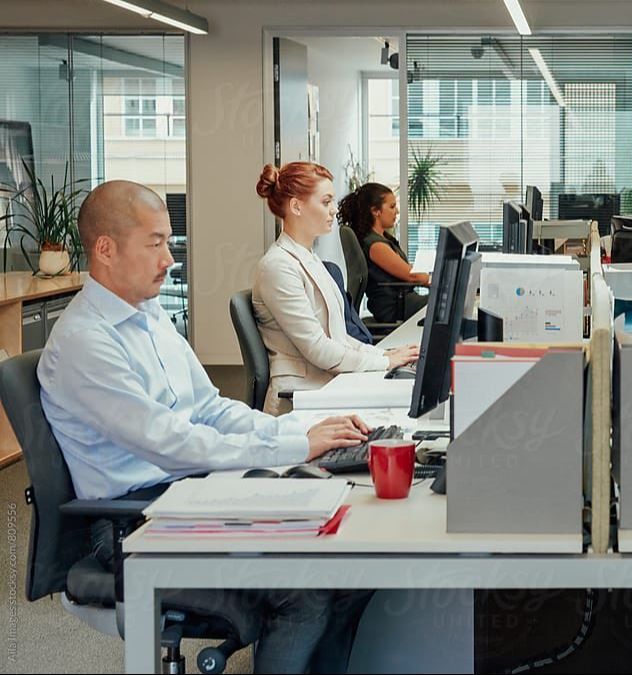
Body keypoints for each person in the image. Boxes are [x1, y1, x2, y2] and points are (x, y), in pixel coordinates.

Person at [38, 180, 375, 673]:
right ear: (105, 250)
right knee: (304, 587)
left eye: (169, 243)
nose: (170, 259)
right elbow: (172, 443)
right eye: (155, 244)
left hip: (189, 493)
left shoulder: (149, 316)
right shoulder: (86, 342)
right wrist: (291, 448)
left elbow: (212, 409)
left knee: (346, 552)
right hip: (134, 525)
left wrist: (294, 436)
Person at [253, 163, 419, 415]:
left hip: (327, 385)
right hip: (302, 397)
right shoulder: (278, 267)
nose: (333, 210)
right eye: (326, 201)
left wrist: (383, 354)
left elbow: (338, 338)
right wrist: (384, 362)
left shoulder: (311, 259)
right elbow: (318, 348)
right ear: (296, 206)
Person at [337, 182, 429, 324]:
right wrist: (439, 282)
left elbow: (406, 270)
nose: (396, 211)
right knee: (447, 305)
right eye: (392, 207)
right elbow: (413, 276)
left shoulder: (382, 238)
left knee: (446, 304)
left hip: (403, 301)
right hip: (395, 307)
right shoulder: (375, 245)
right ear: (376, 211)